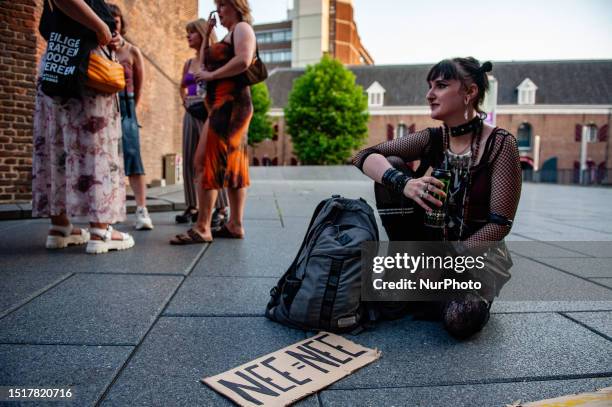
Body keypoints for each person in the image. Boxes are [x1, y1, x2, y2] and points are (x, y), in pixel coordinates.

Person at [352, 57, 522, 338]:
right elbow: (363, 156)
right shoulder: (432, 138)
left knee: (460, 319)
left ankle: (426, 293)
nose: (430, 94)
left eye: (441, 86)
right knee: (390, 164)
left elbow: (500, 223)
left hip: (474, 256)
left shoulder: (501, 144)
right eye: (430, 86)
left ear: (470, 93)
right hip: (423, 252)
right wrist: (405, 183)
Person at [33, 0, 134, 254]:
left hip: (56, 63)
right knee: (95, 145)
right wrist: (100, 26)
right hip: (87, 67)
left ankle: (60, 227)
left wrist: (110, 34)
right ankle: (101, 231)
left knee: (56, 143)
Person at [171, 0, 255, 244]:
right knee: (233, 164)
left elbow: (244, 60)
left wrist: (211, 75)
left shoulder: (242, 28)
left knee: (205, 161)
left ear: (235, 6)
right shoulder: (230, 33)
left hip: (231, 104)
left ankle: (203, 227)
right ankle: (235, 224)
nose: (218, 11)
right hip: (225, 104)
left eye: (222, 6)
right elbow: (207, 59)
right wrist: (208, 31)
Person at [175, 18, 229, 226]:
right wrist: (184, 102)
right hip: (190, 111)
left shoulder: (213, 58)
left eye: (192, 32)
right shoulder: (188, 63)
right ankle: (193, 205)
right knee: (190, 159)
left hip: (208, 111)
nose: (188, 36)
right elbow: (182, 85)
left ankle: (221, 208)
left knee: (211, 159)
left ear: (202, 33)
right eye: (187, 33)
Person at [106, 3, 153, 230]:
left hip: (126, 107)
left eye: (115, 20)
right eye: (108, 20)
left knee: (133, 155)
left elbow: (140, 84)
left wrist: (132, 111)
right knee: (106, 160)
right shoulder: (97, 46)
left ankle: (142, 210)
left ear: (121, 23)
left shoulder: (132, 51)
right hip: (103, 108)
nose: (112, 24)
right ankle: (109, 211)